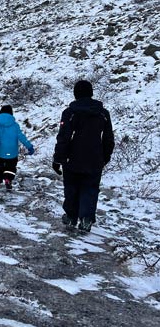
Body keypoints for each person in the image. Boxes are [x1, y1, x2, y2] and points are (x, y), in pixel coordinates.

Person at [52, 80, 115, 232]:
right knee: (90, 188)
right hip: (95, 158)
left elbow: (64, 137)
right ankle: (86, 218)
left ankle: (71, 217)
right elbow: (108, 138)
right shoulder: (103, 113)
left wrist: (58, 158)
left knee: (71, 187)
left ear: (75, 94)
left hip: (71, 157)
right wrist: (104, 157)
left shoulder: (70, 113)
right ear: (91, 93)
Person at [0, 105, 34, 190]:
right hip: (12, 151)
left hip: (0, 151)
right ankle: (8, 179)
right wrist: (29, 146)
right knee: (11, 166)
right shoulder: (15, 125)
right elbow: (21, 136)